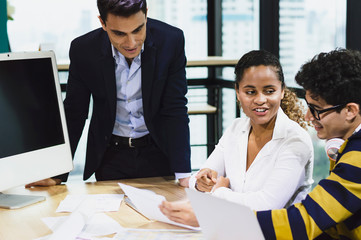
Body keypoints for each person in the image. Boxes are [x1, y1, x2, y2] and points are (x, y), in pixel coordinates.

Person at [26, 0, 191, 187]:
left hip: (158, 151)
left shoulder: (171, 40)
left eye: (138, 30)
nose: (131, 43)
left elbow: (175, 108)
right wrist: (57, 173)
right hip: (110, 155)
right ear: (102, 23)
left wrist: (184, 172)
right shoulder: (84, 50)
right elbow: (74, 113)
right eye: (119, 33)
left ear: (146, 14)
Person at [160, 50, 314, 225]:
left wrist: (218, 192)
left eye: (269, 91)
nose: (260, 99)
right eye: (250, 92)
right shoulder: (235, 129)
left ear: (282, 91)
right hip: (232, 228)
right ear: (238, 92)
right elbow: (200, 177)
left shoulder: (296, 141)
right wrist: (201, 182)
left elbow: (266, 206)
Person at [255, 48, 361, 239]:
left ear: (350, 110)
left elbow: (305, 222)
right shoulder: (348, 148)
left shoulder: (358, 158)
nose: (308, 116)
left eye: (316, 109)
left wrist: (227, 221)